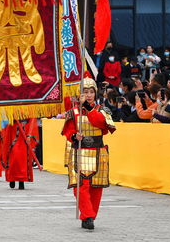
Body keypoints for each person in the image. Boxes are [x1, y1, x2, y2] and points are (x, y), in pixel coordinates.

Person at [61, 75, 116, 230]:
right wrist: (74, 136)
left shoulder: (102, 110)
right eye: (85, 92)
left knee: (96, 188)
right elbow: (68, 131)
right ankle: (88, 215)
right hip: (80, 152)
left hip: (98, 152)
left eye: (91, 92)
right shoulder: (73, 112)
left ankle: (90, 215)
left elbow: (101, 125)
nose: (89, 95)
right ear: (80, 94)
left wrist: (89, 108)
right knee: (81, 186)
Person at [1, 118, 39, 190]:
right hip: (13, 131)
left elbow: (32, 120)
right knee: (13, 157)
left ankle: (21, 181)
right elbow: (5, 120)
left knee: (22, 158)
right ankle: (12, 177)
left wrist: (30, 134)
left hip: (25, 132)